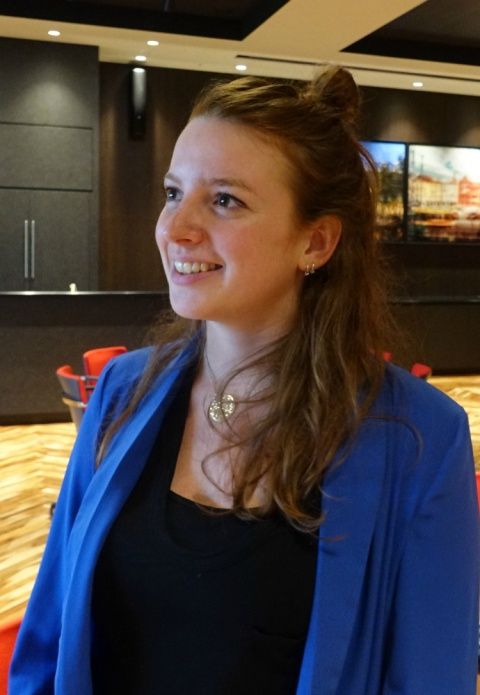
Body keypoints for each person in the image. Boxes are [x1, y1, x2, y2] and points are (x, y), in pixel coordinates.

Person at [10, 67, 479, 694]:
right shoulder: (124, 391)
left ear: (316, 241)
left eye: (225, 200)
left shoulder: (419, 439)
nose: (176, 228)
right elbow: (50, 638)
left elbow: (431, 678)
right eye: (173, 192)